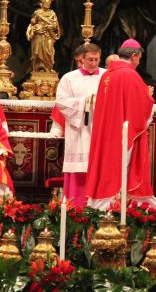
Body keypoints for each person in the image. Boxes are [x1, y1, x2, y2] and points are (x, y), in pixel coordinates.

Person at [85, 39, 156, 209]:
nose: (139, 62)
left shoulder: (107, 75)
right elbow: (141, 110)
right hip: (124, 135)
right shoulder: (130, 75)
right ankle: (121, 205)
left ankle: (102, 205)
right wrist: (148, 95)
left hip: (106, 132)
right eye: (138, 58)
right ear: (133, 56)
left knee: (107, 168)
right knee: (123, 170)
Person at [55, 43, 106, 207]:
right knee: (79, 169)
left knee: (100, 168)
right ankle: (76, 207)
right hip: (78, 131)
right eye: (90, 60)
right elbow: (61, 103)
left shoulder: (107, 77)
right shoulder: (69, 78)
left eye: (97, 59)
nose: (94, 63)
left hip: (100, 131)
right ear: (81, 59)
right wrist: (85, 103)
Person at [26, 0, 61, 73]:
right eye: (46, 3)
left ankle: (48, 67)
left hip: (49, 35)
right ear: (42, 3)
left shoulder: (52, 13)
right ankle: (39, 67)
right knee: (38, 51)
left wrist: (50, 26)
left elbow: (56, 25)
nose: (48, 4)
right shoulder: (37, 12)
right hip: (39, 35)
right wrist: (33, 23)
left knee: (49, 51)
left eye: (49, 3)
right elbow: (33, 23)